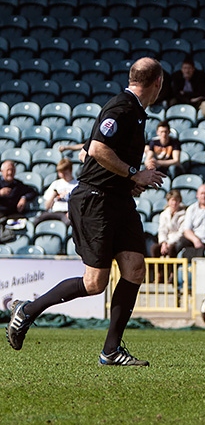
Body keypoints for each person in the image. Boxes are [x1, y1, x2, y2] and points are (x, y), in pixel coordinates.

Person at [6, 57, 166, 366]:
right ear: (157, 83)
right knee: (95, 284)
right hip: (96, 201)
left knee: (134, 268)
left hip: (118, 199)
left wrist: (126, 181)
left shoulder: (135, 112)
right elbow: (95, 149)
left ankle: (111, 351)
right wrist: (134, 173)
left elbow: (85, 151)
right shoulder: (121, 108)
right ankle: (27, 310)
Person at [34, 158, 78, 226]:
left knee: (68, 221)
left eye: (65, 172)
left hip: (66, 212)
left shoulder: (77, 185)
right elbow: (47, 206)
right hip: (55, 211)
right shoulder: (56, 184)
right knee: (38, 219)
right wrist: (53, 195)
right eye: (60, 172)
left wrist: (71, 211)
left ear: (70, 171)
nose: (62, 175)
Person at [149, 189, 186, 260]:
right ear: (168, 201)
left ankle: (171, 270)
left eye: (176, 200)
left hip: (177, 241)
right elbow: (162, 230)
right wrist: (163, 243)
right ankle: (158, 270)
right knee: (154, 248)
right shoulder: (164, 214)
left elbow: (181, 232)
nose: (174, 203)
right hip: (166, 240)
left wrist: (169, 243)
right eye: (172, 200)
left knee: (172, 249)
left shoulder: (184, 214)